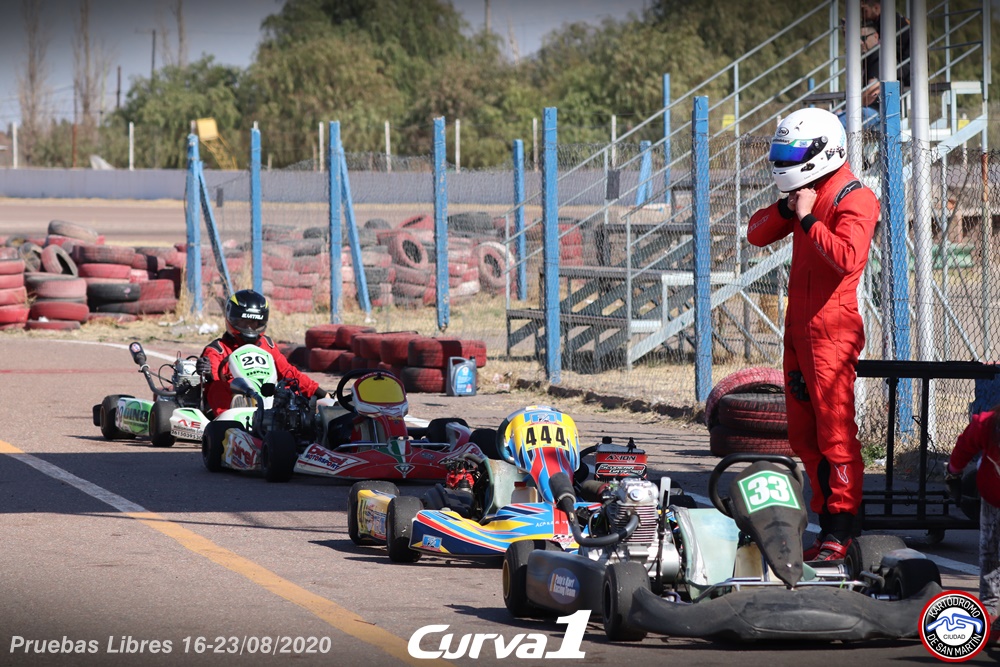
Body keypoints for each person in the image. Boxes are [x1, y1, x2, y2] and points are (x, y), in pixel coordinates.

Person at [747, 107, 880, 561]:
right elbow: (755, 234)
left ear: (823, 151)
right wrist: (788, 208)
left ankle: (842, 529)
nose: (785, 164)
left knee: (835, 433)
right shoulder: (804, 193)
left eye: (792, 155)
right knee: (805, 437)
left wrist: (807, 219)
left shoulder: (855, 197)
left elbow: (846, 258)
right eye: (782, 155)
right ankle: (825, 526)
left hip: (832, 331)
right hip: (798, 330)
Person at [196, 289, 329, 417]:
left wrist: (321, 393)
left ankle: (289, 416)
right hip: (234, 402)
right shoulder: (217, 350)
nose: (249, 328)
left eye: (254, 323)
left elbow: (289, 373)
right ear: (232, 319)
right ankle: (233, 416)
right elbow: (213, 378)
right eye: (245, 322)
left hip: (268, 396)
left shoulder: (267, 345)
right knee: (217, 387)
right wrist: (208, 373)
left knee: (288, 386)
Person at [946, 407, 1000, 636]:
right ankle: (990, 610)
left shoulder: (989, 423)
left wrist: (953, 473)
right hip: (993, 495)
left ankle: (990, 608)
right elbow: (966, 444)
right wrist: (953, 472)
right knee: (990, 550)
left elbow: (965, 444)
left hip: (992, 490)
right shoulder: (988, 424)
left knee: (990, 551)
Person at [837, 1, 911, 131]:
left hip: (876, 111)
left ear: (876, 37)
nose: (860, 42)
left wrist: (850, 105)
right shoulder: (867, 55)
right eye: (857, 38)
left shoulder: (878, 54)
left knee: (837, 122)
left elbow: (873, 91)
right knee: (835, 119)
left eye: (863, 38)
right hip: (870, 110)